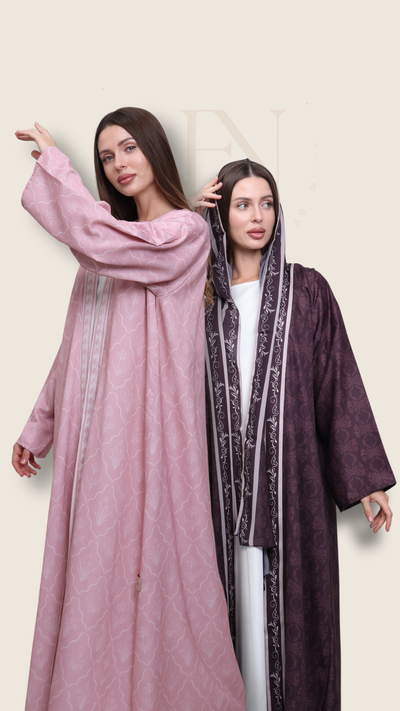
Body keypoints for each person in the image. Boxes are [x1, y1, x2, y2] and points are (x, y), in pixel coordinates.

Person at [13, 110, 245, 711]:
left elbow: (106, 239)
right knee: (94, 573)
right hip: (94, 443)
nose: (118, 164)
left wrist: (55, 163)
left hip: (147, 437)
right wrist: (41, 426)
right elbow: (76, 345)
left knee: (144, 569)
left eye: (129, 148)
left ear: (155, 150)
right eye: (106, 157)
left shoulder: (181, 236)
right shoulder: (112, 252)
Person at [190, 160, 395, 711]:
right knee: (220, 626)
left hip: (292, 496)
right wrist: (186, 219)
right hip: (216, 495)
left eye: (267, 204)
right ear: (219, 215)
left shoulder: (307, 290)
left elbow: (336, 380)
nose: (257, 217)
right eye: (241, 205)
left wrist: (366, 481)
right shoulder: (196, 299)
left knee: (295, 631)